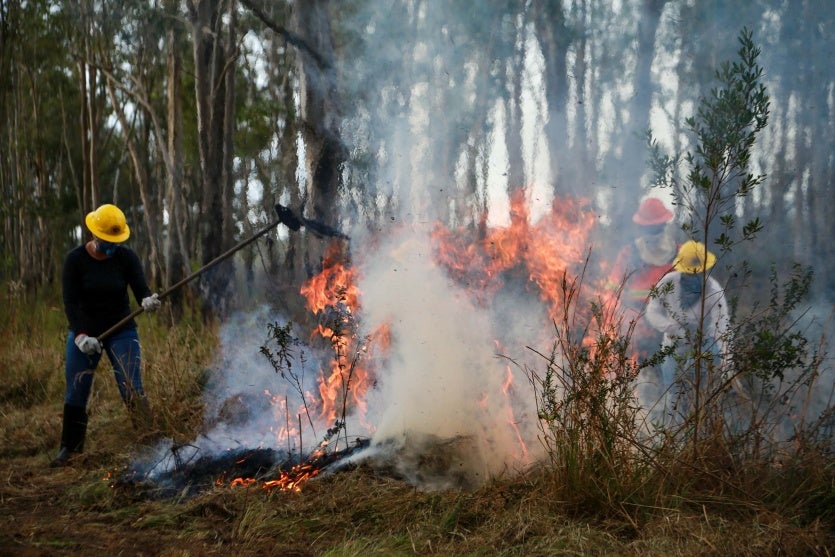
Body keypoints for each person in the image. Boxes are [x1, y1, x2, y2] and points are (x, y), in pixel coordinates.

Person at [51, 203, 162, 467]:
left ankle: (151, 442)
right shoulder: (75, 260)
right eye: (106, 241)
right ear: (94, 235)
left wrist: (148, 300)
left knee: (131, 387)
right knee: (77, 390)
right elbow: (70, 302)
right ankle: (70, 449)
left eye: (115, 241)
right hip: (85, 330)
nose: (111, 246)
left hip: (121, 329)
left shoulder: (126, 258)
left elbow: (141, 289)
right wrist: (80, 336)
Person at [644, 240, 730, 422]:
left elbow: (722, 327)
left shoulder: (713, 291)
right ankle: (674, 435)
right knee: (673, 394)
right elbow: (652, 310)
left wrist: (726, 364)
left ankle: (703, 429)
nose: (693, 276)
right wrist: (670, 326)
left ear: (704, 270)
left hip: (704, 345)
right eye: (689, 273)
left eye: (697, 272)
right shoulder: (668, 283)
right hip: (673, 345)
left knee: (704, 395)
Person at [607, 197, 678, 360]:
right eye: (649, 228)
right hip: (636, 327)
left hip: (669, 326)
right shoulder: (629, 253)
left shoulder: (679, 254)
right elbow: (611, 291)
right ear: (640, 228)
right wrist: (615, 321)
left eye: (656, 227)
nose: (653, 232)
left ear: (664, 225)